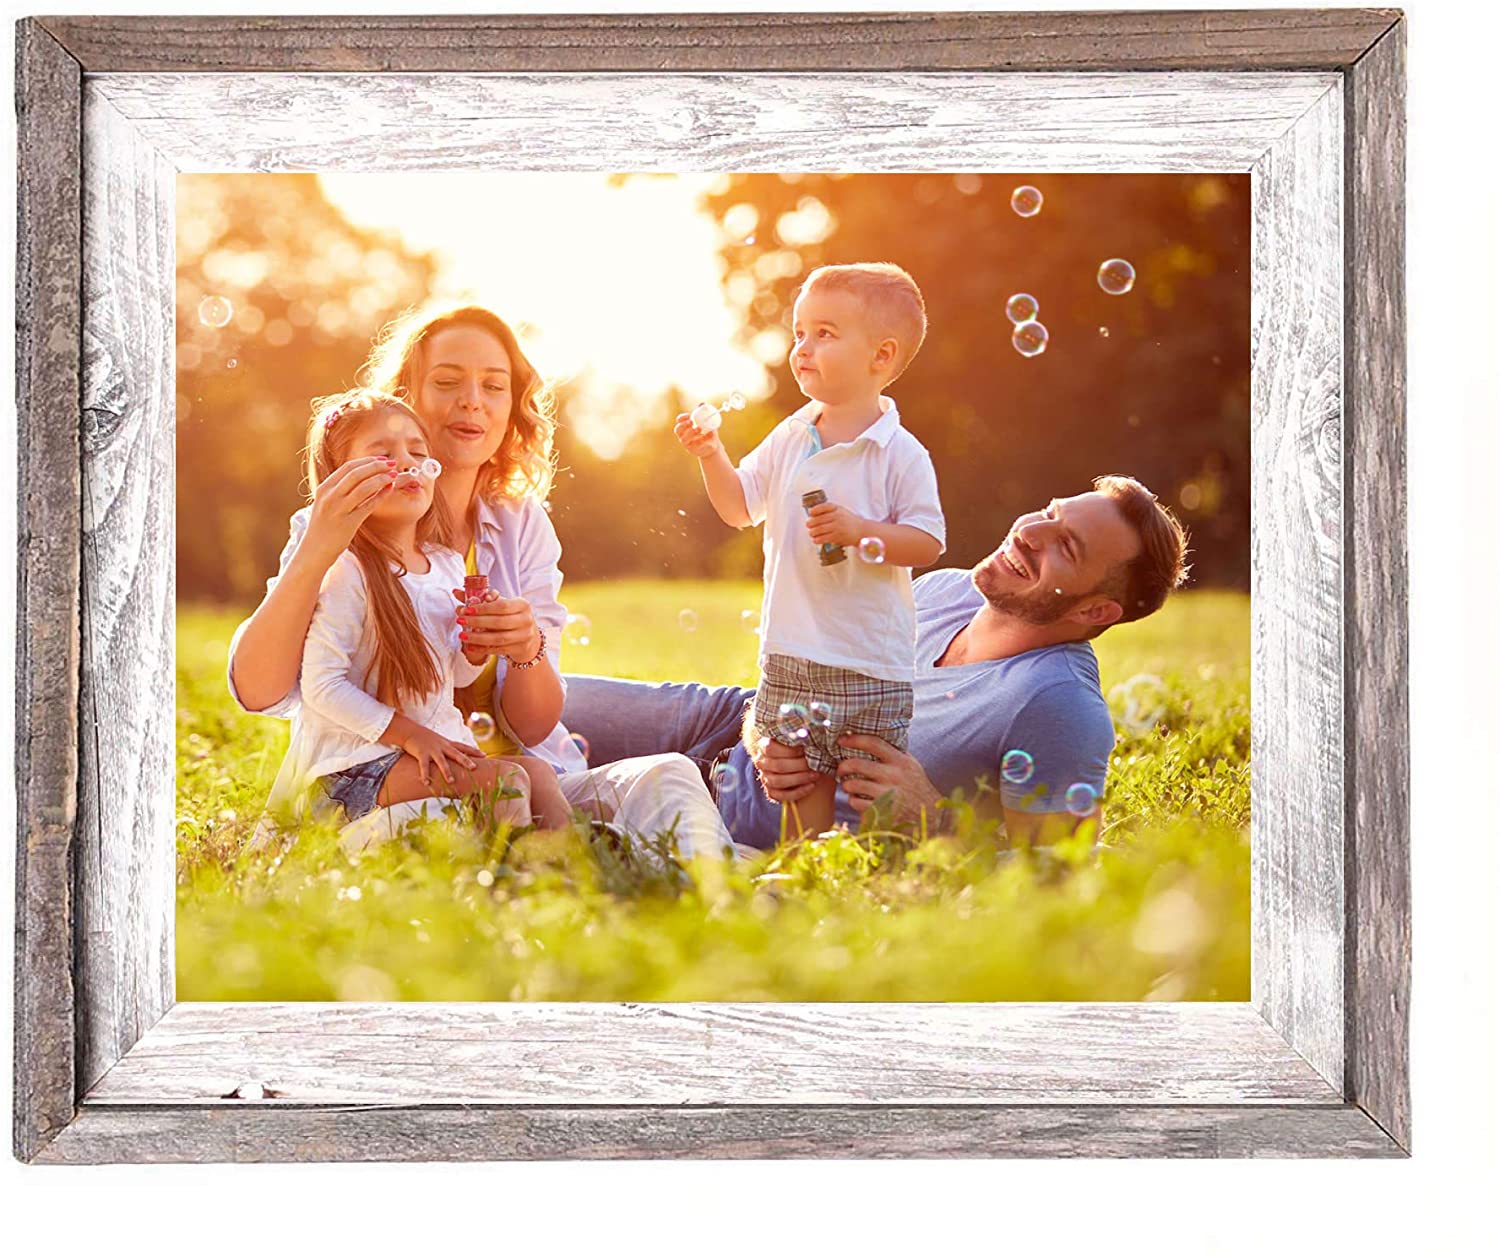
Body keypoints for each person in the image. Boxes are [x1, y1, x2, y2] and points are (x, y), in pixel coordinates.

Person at [228, 302, 735, 861]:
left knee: (669, 775)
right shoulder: (338, 528)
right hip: (395, 783)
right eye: (447, 382)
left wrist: (525, 648)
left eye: (494, 387)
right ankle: (596, 872)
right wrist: (317, 551)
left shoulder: (519, 525)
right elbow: (260, 691)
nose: (472, 400)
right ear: (406, 398)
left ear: (511, 410)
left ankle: (720, 897)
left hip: (509, 769)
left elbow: (535, 722)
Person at [562, 476, 1191, 851]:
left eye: (1067, 546)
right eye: (1051, 513)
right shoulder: (947, 590)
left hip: (762, 818)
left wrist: (934, 820)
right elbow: (806, 673)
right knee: (521, 695)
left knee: (538, 799)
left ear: (1095, 612)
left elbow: (1055, 882)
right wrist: (760, 733)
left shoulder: (1058, 707)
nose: (1032, 532)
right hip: (732, 720)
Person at [674, 263, 945, 839]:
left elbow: (927, 541)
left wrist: (859, 530)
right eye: (800, 332)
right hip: (792, 649)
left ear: (881, 356)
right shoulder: (791, 436)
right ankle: (808, 876)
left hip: (869, 660)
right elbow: (740, 507)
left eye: (825, 333)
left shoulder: (898, 452)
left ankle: (883, 879)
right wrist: (710, 455)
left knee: (872, 787)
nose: (803, 347)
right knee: (797, 781)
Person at [263, 387, 571, 841]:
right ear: (342, 478)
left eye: (418, 451)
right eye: (383, 453)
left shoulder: (444, 563)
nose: (409, 464)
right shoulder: (348, 569)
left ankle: (573, 868)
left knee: (539, 775)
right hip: (353, 767)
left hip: (420, 751)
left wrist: (475, 648)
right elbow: (321, 686)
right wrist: (410, 735)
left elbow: (460, 678)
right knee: (505, 784)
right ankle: (510, 883)